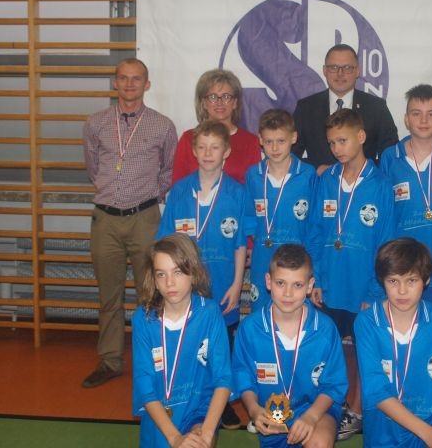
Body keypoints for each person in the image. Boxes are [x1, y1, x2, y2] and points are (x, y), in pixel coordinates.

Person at [82, 57, 178, 388]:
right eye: (123, 78)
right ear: (115, 82)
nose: (129, 84)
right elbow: (92, 166)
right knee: (109, 296)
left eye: (136, 79)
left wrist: (148, 194)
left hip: (144, 218)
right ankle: (109, 361)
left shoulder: (162, 126)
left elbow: (168, 170)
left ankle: (151, 364)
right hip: (106, 219)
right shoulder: (95, 123)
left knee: (150, 294)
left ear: (146, 84)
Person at [307, 108, 394, 441]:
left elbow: (386, 243)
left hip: (363, 288)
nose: (337, 149)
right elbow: (315, 231)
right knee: (334, 349)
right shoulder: (326, 180)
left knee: (361, 351)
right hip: (330, 283)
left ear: (361, 137)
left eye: (343, 141)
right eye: (332, 143)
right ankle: (335, 407)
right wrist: (316, 279)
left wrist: (374, 292)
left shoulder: (381, 185)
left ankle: (357, 412)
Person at [157, 120, 247, 429]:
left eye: (215, 147)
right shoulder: (180, 191)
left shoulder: (237, 193)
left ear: (226, 152)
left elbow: (240, 244)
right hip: (187, 287)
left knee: (222, 347)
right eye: (202, 147)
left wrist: (237, 284)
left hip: (223, 284)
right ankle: (192, 400)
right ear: (194, 151)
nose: (208, 153)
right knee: (192, 344)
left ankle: (223, 404)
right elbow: (165, 242)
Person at [354, 238, 432, 448]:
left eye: (411, 280)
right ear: (382, 281)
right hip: (385, 430)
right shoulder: (367, 323)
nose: (402, 291)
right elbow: (376, 391)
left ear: (426, 280)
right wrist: (429, 435)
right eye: (393, 281)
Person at [232, 244, 348, 447]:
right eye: (280, 283)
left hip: (315, 410)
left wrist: (311, 416)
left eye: (297, 285)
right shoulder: (250, 329)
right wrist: (254, 410)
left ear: (310, 286)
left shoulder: (325, 330)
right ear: (268, 281)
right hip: (271, 416)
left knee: (319, 442)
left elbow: (334, 385)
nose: (288, 293)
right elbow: (244, 379)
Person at [132, 233, 232, 448]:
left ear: (193, 272)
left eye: (177, 272)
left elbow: (223, 378)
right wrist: (175, 438)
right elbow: (144, 386)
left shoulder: (210, 313)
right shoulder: (143, 319)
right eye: (161, 274)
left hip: (199, 414)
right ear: (154, 279)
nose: (169, 282)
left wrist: (206, 433)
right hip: (159, 419)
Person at [379, 84, 432, 318]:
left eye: (431, 114)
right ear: (406, 119)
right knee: (402, 328)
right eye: (416, 113)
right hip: (400, 267)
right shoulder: (390, 157)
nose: (424, 120)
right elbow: (385, 214)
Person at [243, 109, 317, 311]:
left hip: (297, 261)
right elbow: (248, 215)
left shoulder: (307, 174)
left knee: (296, 312)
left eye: (281, 141)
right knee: (261, 312)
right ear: (260, 140)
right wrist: (256, 238)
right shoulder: (253, 175)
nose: (274, 148)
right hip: (263, 259)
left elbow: (314, 222)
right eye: (269, 142)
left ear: (293, 137)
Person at [293, 44, 398, 173]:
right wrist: (317, 168)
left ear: (357, 71)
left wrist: (363, 170)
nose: (340, 73)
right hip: (320, 183)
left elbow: (391, 155)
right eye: (334, 67)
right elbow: (290, 154)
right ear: (324, 71)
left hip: (364, 183)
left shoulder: (376, 107)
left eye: (347, 68)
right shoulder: (306, 108)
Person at [172, 68, 261, 185]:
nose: (220, 102)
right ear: (203, 103)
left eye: (226, 97)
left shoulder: (250, 142)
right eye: (213, 97)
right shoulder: (188, 139)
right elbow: (178, 185)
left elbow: (255, 187)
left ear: (235, 103)